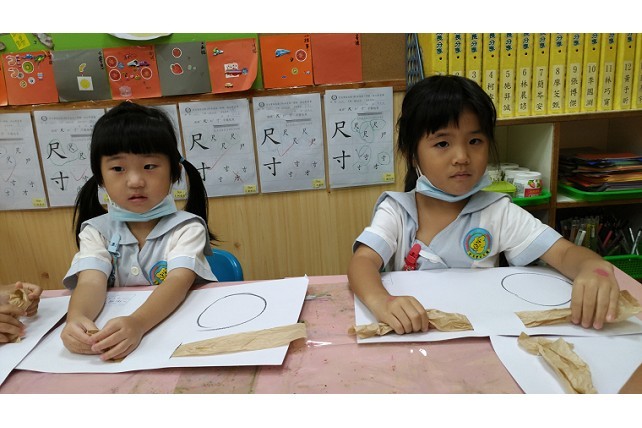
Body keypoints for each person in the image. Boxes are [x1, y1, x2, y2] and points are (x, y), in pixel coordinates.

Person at [348, 75, 620, 335]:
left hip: (481, 337)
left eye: (474, 141)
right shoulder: (396, 211)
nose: (462, 157)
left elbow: (564, 253)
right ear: (412, 154)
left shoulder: (498, 213)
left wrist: (592, 268)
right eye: (442, 143)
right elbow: (362, 262)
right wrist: (381, 301)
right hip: (412, 337)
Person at [61, 101, 217, 361]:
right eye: (118, 169)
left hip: (176, 342)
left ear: (175, 172)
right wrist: (77, 318)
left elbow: (177, 281)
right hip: (118, 346)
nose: (135, 181)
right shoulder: (96, 232)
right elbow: (90, 282)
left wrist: (138, 323)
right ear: (100, 178)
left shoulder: (187, 228)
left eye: (149, 166)